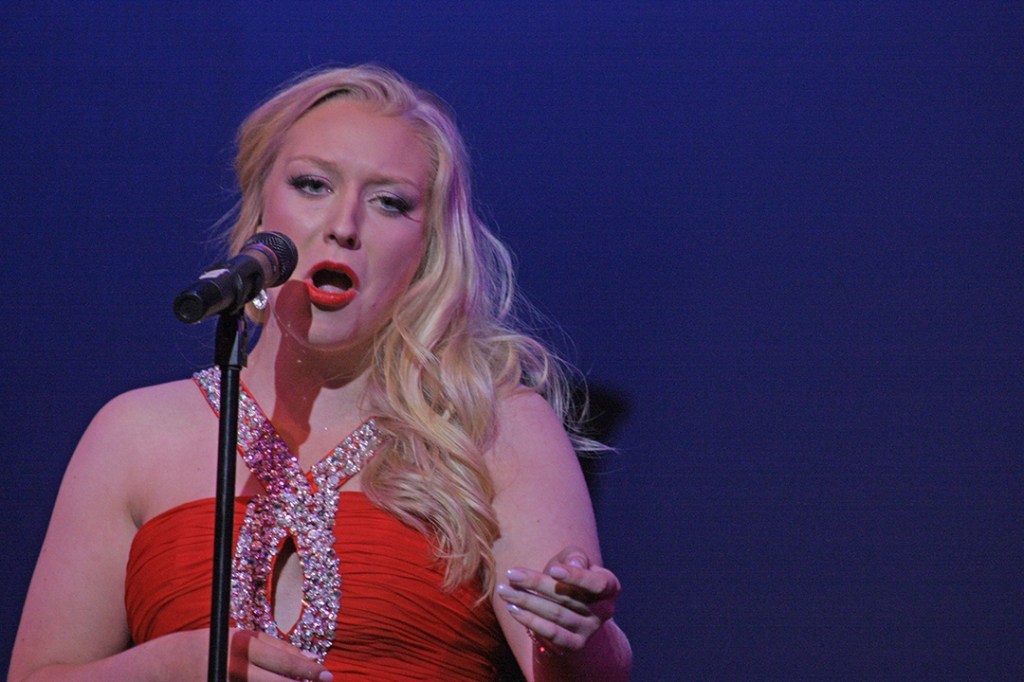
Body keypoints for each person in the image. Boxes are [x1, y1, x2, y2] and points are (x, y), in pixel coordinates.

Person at [8, 64, 631, 681]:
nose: (344, 224)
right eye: (312, 185)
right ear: (260, 209)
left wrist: (578, 640)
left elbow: (579, 664)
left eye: (390, 202)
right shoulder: (133, 435)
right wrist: (167, 666)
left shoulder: (492, 427)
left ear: (428, 251)